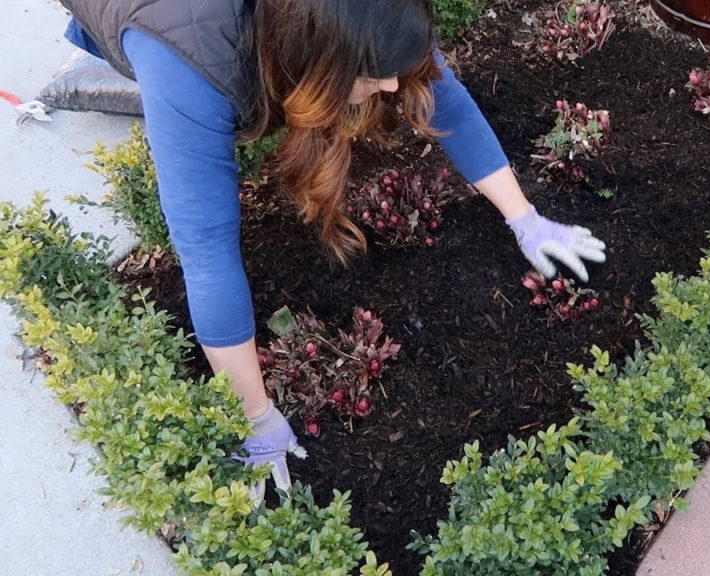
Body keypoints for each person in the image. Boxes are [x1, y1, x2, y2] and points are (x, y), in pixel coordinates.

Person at [60, 0, 607, 502]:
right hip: (164, 22)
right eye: (372, 75)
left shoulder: (358, 12)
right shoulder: (189, 60)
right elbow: (206, 247)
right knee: (186, 98)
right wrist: (255, 414)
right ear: (315, 57)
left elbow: (448, 103)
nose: (392, 84)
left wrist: (525, 219)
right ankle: (166, 106)